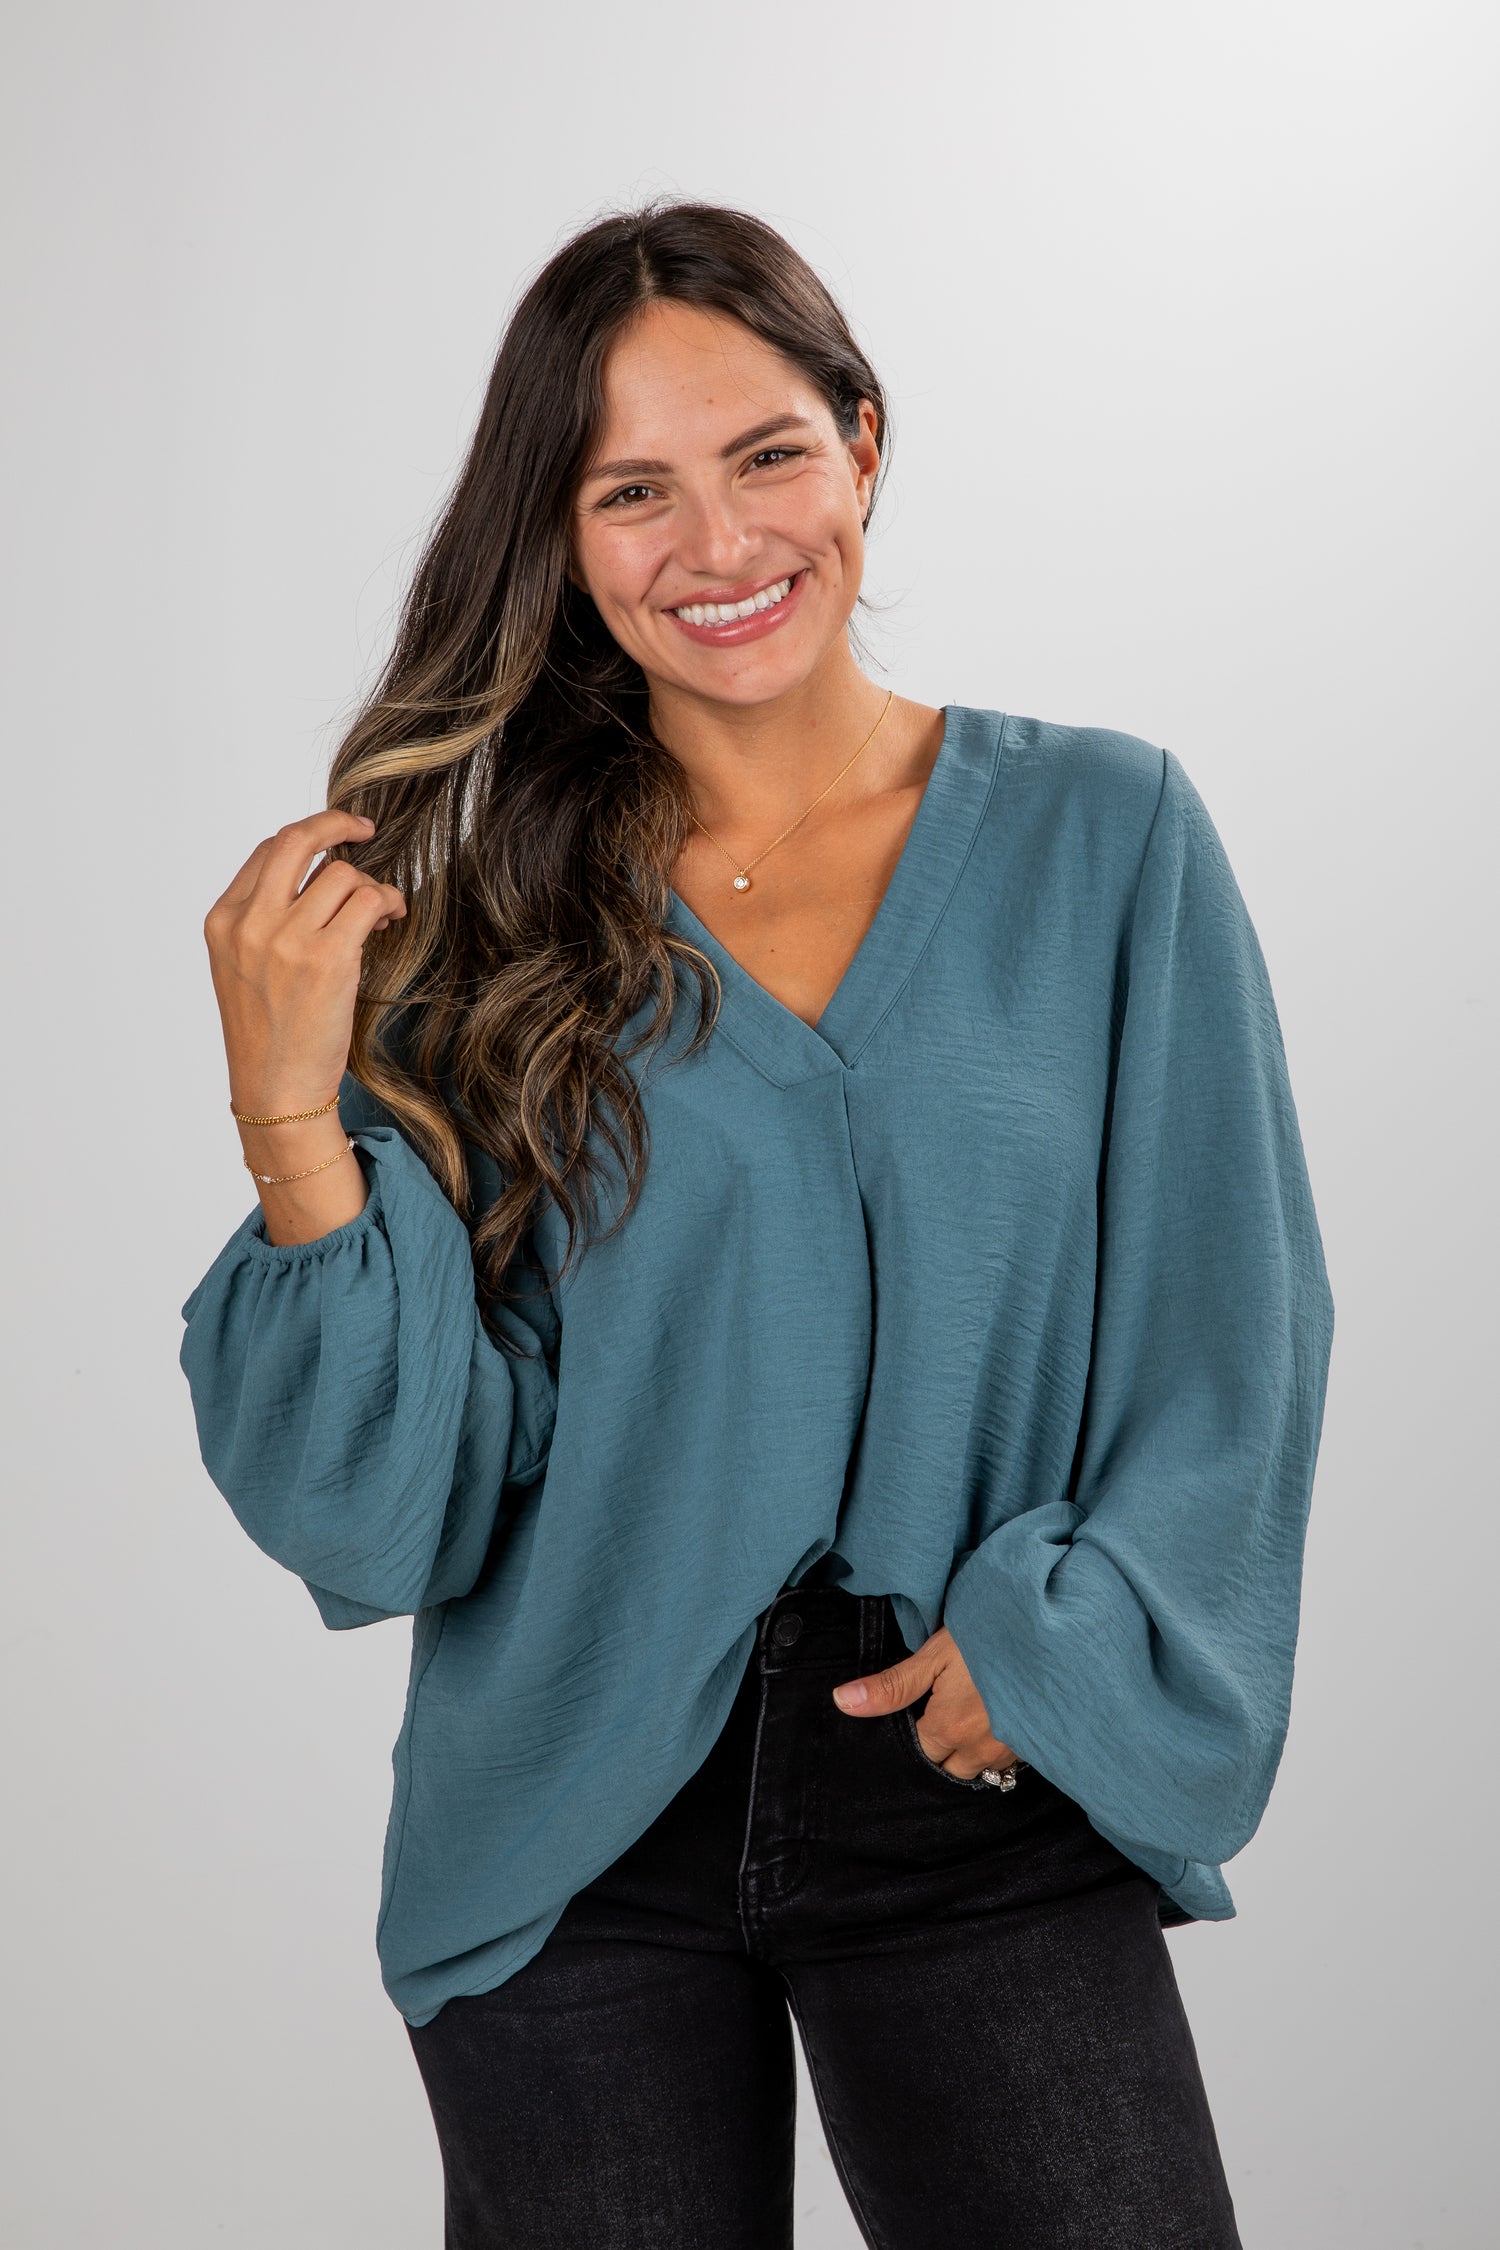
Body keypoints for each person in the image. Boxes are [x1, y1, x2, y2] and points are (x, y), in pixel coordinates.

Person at [180, 198, 1335, 2250]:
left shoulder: (1108, 836)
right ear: (562, 539)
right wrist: (290, 1107)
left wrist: (1064, 1637)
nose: (718, 544)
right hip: (573, 1832)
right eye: (634, 490)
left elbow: (1231, 1330)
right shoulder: (486, 931)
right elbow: (387, 1517)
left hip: (980, 1780)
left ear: (864, 449)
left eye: (768, 455)